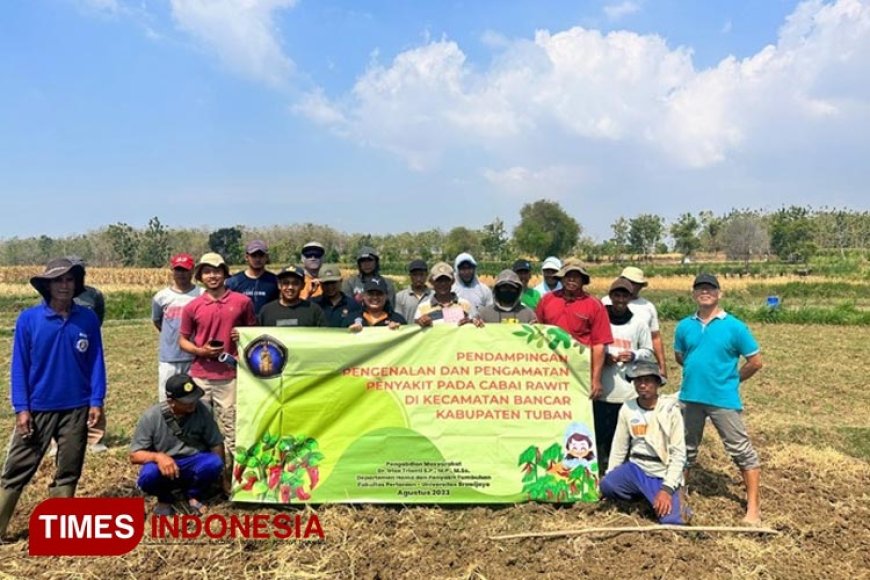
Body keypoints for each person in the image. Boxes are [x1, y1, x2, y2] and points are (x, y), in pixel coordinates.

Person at [0, 258, 107, 538]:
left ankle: (60, 529)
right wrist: (21, 408)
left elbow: (96, 361)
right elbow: (19, 366)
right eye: (58, 280)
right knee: (17, 469)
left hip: (77, 406)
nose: (64, 285)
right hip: (38, 407)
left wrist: (96, 400)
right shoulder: (29, 320)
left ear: (77, 284)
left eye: (70, 280)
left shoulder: (87, 318)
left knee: (70, 467)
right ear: (47, 285)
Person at [675, 273, 763, 524]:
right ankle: (681, 496)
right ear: (694, 294)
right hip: (690, 397)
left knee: (741, 451)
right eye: (700, 289)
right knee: (685, 449)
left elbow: (755, 361)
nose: (705, 292)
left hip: (723, 399)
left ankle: (753, 508)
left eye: (710, 289)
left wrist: (732, 380)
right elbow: (681, 357)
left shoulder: (734, 326)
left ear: (719, 293)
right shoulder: (684, 326)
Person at [179, 252, 256, 459]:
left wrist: (242, 336)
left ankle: (235, 477)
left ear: (225, 274)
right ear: (200, 276)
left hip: (229, 376)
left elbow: (254, 335)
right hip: (200, 375)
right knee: (199, 426)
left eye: (217, 271)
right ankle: (206, 475)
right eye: (207, 272)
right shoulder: (192, 307)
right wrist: (200, 351)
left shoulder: (242, 302)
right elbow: (183, 340)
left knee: (232, 427)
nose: (213, 276)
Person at [600, 360, 689, 525]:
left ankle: (670, 496)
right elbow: (619, 447)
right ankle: (642, 496)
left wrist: (667, 489)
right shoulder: (628, 408)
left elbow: (678, 454)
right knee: (607, 485)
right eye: (638, 381)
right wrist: (610, 473)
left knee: (672, 520)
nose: (642, 385)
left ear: (657, 383)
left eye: (648, 380)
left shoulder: (670, 411)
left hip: (661, 472)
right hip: (636, 468)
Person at [130, 373, 224, 516]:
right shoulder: (151, 417)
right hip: (164, 466)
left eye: (194, 398)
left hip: (193, 461)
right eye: (187, 401)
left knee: (214, 462)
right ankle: (164, 498)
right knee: (148, 476)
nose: (193, 403)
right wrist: (158, 457)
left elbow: (216, 443)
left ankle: (194, 494)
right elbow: (134, 455)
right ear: (171, 401)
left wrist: (220, 473)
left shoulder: (204, 409)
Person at [597, 278, 654, 471]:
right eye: (616, 295)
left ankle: (622, 467)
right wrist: (604, 357)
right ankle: (600, 464)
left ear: (630, 298)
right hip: (603, 386)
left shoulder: (638, 323)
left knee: (622, 430)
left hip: (627, 388)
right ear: (610, 296)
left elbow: (648, 350)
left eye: (624, 296)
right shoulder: (600, 319)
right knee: (600, 430)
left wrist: (633, 355)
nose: (620, 299)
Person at [535, 258, 612, 399]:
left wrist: (596, 379)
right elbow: (537, 332)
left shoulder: (594, 305)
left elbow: (599, 345)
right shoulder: (547, 300)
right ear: (562, 278)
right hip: (551, 368)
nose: (571, 280)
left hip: (580, 369)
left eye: (576, 276)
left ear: (583, 280)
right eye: (567, 275)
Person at [66, 255, 108, 452]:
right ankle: (57, 441)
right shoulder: (57, 293)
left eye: (77, 271)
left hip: (86, 346)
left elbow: (97, 319)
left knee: (92, 388)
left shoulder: (94, 295)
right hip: (64, 348)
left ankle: (94, 438)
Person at [152, 253, 203, 401]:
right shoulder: (161, 297)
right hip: (169, 357)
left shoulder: (201, 294)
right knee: (167, 399)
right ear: (172, 270)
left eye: (185, 270)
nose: (181, 274)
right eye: (178, 270)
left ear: (192, 270)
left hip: (195, 356)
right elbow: (157, 321)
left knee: (193, 398)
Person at [601, 266, 668, 379]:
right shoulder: (605, 302)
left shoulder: (648, 307)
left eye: (635, 283)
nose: (631, 285)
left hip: (636, 365)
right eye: (628, 281)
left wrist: (662, 365)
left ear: (641, 286)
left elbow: (655, 337)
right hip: (608, 366)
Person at [414, 262, 481, 327]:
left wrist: (470, 322)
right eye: (439, 280)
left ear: (452, 282)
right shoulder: (422, 308)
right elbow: (415, 332)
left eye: (446, 280)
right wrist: (421, 322)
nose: (443, 284)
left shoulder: (465, 304)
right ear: (432, 282)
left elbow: (476, 325)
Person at [258, 266, 328, 328]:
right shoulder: (266, 311)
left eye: (295, 283)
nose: (290, 287)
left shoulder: (314, 311)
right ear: (279, 285)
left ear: (303, 285)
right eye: (286, 283)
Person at [225, 240, 279, 315]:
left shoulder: (275, 281)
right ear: (246, 257)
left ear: (266, 257)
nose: (257, 259)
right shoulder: (233, 282)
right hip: (242, 325)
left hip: (267, 325)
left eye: (261, 255)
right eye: (254, 255)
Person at [314, 263, 362, 328]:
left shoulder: (353, 305)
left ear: (341, 281)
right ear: (320, 284)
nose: (330, 287)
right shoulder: (314, 304)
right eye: (326, 283)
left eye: (333, 282)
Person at [393, 259, 433, 324]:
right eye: (415, 275)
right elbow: (398, 320)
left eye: (421, 275)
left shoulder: (434, 295)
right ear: (410, 276)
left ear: (427, 275)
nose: (418, 278)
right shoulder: (400, 297)